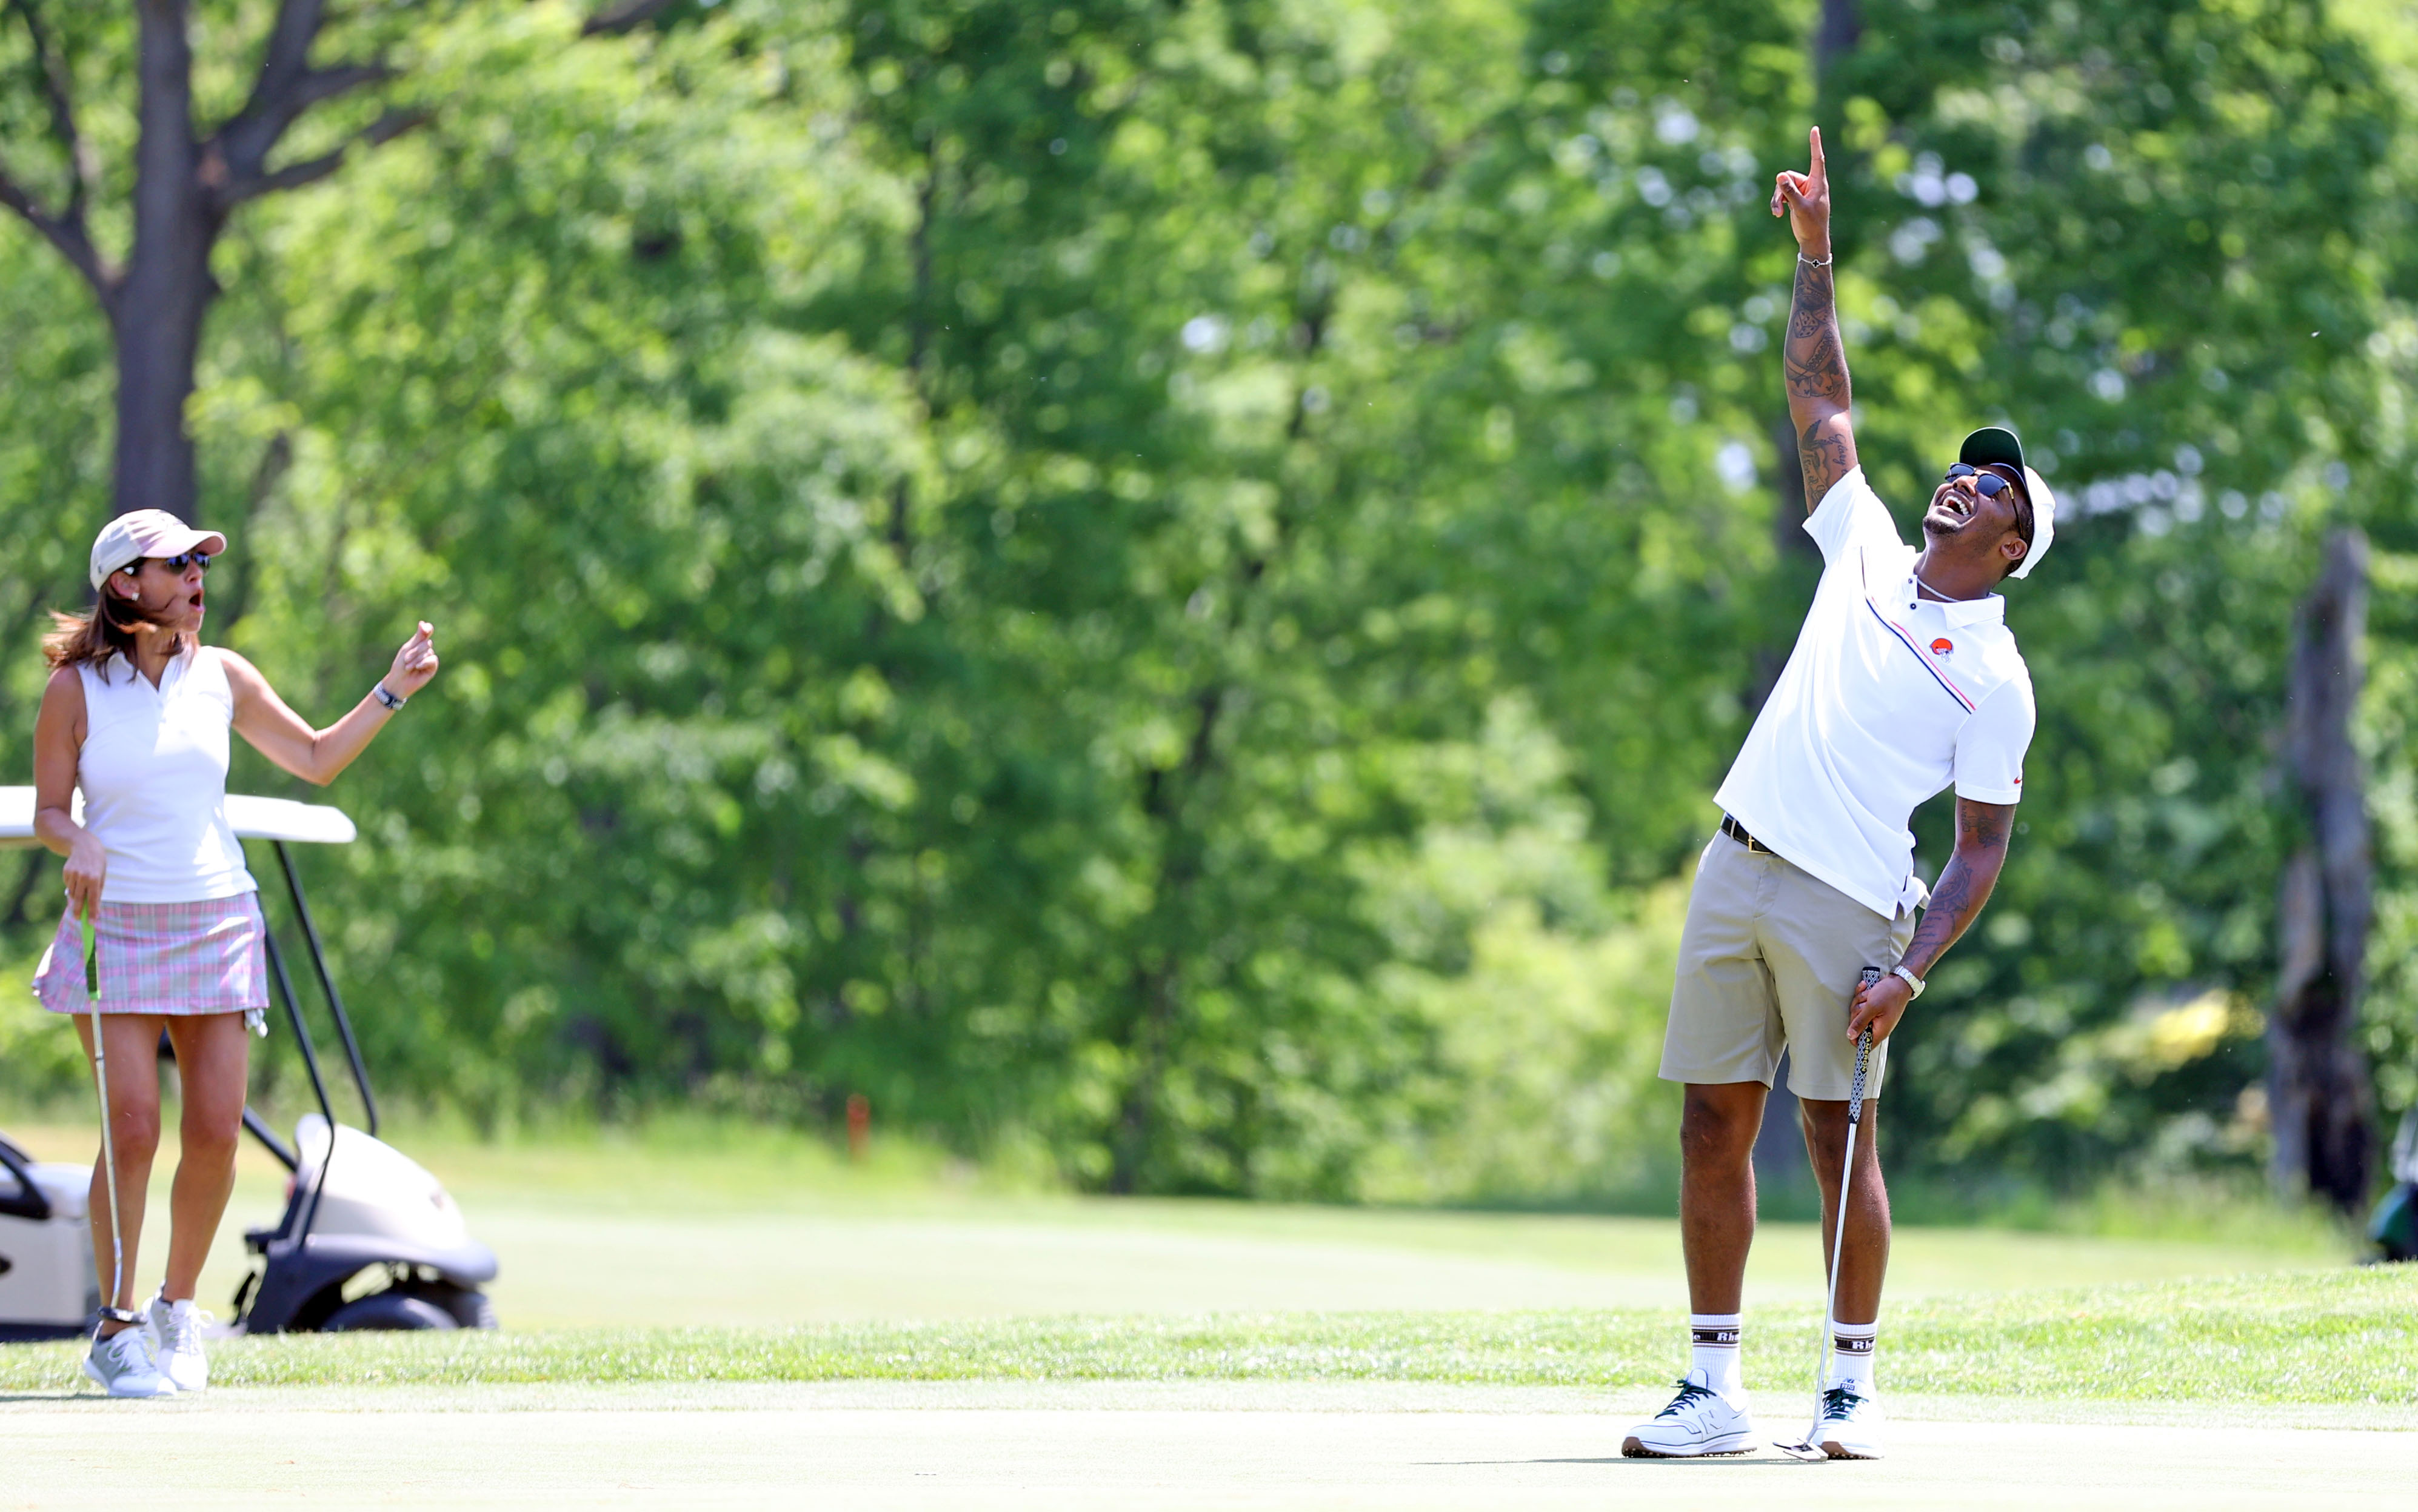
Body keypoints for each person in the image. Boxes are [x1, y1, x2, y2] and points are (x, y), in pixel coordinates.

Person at [1621, 127, 2053, 1460]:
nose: (1960, 478)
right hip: (1738, 860)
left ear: (2012, 541)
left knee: (1833, 1141)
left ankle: (1851, 1391)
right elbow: (1822, 402)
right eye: (1963, 466)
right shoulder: (1862, 537)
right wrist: (1815, 257)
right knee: (1709, 1118)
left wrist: (1911, 970)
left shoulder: (1997, 676)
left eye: (1989, 483)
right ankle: (1712, 1391)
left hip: (1853, 902)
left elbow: (1981, 851)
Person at [30, 508, 439, 1397]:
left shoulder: (222, 675)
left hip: (216, 918)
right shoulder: (75, 691)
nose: (197, 578)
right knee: (131, 1127)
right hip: (118, 925)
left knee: (214, 1133)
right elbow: (50, 813)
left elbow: (317, 757)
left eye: (200, 563)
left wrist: (392, 689)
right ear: (125, 585)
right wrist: (78, 844)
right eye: (176, 565)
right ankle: (117, 1325)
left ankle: (180, 1311)